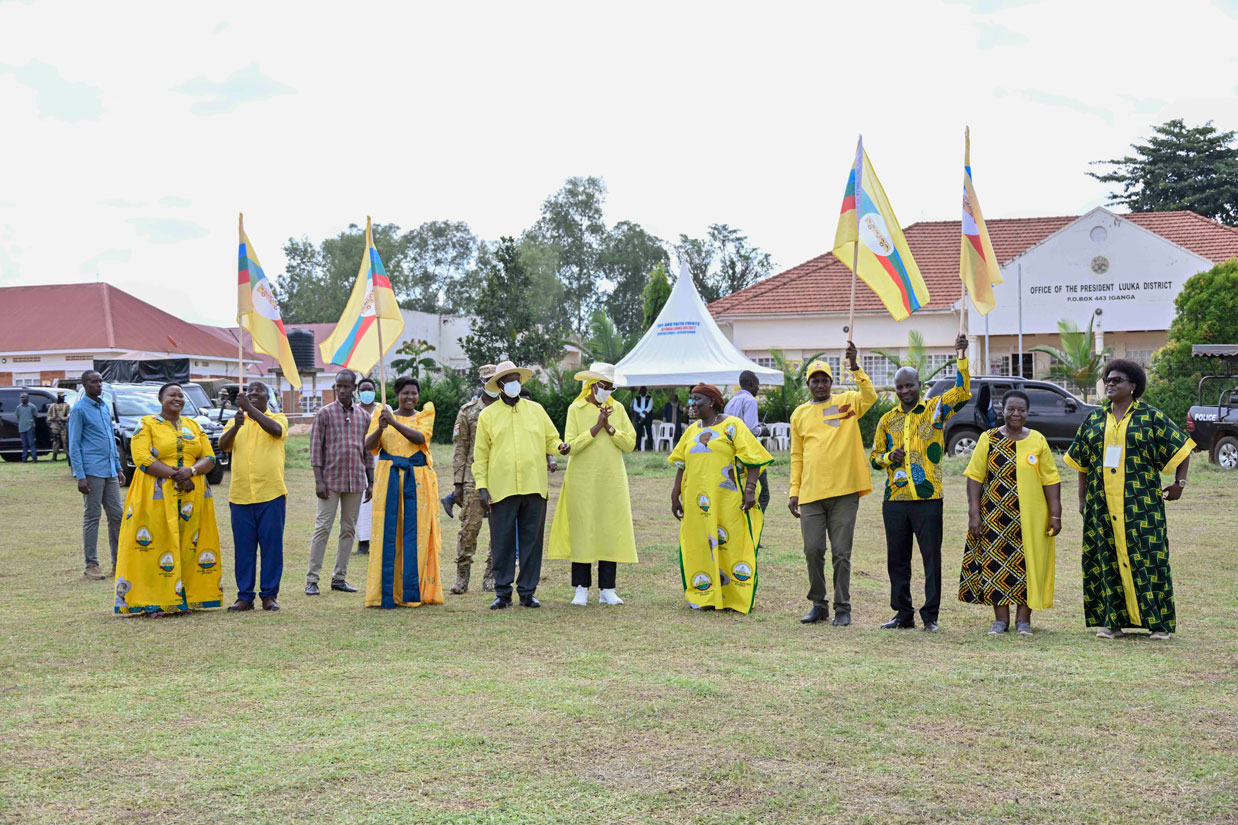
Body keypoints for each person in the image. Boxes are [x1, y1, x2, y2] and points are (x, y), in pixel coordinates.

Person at [1064, 359, 1193, 640]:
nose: (1110, 383)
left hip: (1141, 505)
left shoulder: (1150, 417)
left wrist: (1179, 484)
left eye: (1117, 380)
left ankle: (1159, 624)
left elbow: (1182, 447)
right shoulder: (1095, 419)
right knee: (1106, 558)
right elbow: (1082, 463)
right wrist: (1082, 499)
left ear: (1133, 386)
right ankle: (1112, 621)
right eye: (1107, 380)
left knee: (1149, 558)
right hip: (1101, 504)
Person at [869, 334, 971, 632]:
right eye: (900, 387)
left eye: (909, 385)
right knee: (897, 560)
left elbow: (963, 392)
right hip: (895, 501)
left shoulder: (935, 409)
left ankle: (930, 616)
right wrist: (888, 457)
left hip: (928, 499)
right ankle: (903, 614)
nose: (905, 391)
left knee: (931, 560)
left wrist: (961, 357)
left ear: (919, 385)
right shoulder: (887, 420)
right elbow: (874, 458)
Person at [788, 342, 877, 627]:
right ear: (808, 385)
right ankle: (818, 604)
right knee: (813, 550)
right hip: (811, 493)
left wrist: (855, 367)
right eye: (814, 380)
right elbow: (797, 456)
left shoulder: (847, 402)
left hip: (844, 492)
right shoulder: (799, 414)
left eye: (824, 380)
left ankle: (842, 607)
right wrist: (794, 490)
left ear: (831, 382)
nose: (820, 385)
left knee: (841, 552)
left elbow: (870, 396)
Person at [113, 382, 222, 616]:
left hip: (192, 495)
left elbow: (210, 457)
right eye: (172, 395)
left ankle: (183, 600)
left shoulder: (193, 425)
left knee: (188, 545)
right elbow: (142, 458)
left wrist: (191, 471)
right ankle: (152, 601)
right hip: (156, 493)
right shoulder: (147, 424)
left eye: (181, 395)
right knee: (154, 544)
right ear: (160, 399)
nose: (178, 398)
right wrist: (177, 476)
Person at [960, 390, 1062, 636]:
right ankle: (1001, 620)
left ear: (1027, 413)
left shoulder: (1037, 440)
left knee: (1029, 564)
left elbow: (1050, 479)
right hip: (995, 516)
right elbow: (975, 477)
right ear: (1002, 411)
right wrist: (974, 514)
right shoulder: (988, 438)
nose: (1016, 414)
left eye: (1021, 410)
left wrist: (1055, 515)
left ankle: (1023, 620)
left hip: (1032, 517)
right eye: (1011, 409)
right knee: (996, 564)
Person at [472, 360, 568, 610]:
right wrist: (482, 487)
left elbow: (551, 439)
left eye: (517, 379)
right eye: (509, 380)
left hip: (534, 486)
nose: (514, 383)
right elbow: (480, 455)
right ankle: (502, 592)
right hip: (501, 489)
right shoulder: (487, 415)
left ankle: (527, 592)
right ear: (500, 385)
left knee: (531, 543)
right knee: (501, 542)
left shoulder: (536, 410)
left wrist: (560, 447)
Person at [669, 383, 772, 613]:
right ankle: (705, 594)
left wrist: (750, 489)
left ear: (712, 402)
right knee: (699, 544)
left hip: (728, 500)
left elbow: (754, 458)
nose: (692, 404)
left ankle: (733, 597)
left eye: (697, 399)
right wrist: (675, 493)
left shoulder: (732, 425)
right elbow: (681, 464)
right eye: (691, 399)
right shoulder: (692, 430)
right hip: (697, 502)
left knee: (731, 545)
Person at [548, 363, 638, 605]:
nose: (607, 391)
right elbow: (571, 446)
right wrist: (596, 428)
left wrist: (610, 428)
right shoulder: (575, 409)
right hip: (582, 478)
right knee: (582, 529)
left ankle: (608, 588)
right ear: (592, 385)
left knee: (609, 529)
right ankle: (581, 588)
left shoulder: (617, 409)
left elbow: (630, 444)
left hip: (611, 478)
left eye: (611, 387)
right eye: (604, 386)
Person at [363, 376, 443, 608]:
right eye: (405, 393)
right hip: (388, 479)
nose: (410, 397)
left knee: (416, 532)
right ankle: (387, 591)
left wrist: (394, 423)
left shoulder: (424, 415)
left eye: (413, 393)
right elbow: (369, 446)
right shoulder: (381, 414)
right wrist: (381, 427)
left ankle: (413, 590)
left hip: (417, 481)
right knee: (389, 531)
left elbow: (420, 438)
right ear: (397, 394)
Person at [219, 381, 288, 612]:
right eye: (250, 392)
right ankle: (245, 596)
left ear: (268, 397)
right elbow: (223, 446)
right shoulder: (236, 421)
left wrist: (250, 409)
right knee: (244, 548)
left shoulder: (277, 418)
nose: (253, 394)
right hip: (241, 495)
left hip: (270, 493)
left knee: (271, 547)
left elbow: (276, 431)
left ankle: (269, 595)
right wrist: (236, 426)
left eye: (259, 391)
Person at [306, 369, 373, 596]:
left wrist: (371, 481)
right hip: (330, 481)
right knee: (323, 528)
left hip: (356, 481)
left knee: (348, 530)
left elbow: (367, 452)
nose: (341, 390)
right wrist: (318, 481)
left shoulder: (364, 416)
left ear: (354, 388)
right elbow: (316, 449)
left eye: (346, 386)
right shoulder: (324, 414)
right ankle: (312, 579)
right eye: (338, 386)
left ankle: (339, 578)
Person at [68, 370, 125, 580]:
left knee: (117, 515)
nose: (99, 385)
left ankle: (119, 562)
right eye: (94, 382)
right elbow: (74, 444)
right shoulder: (79, 410)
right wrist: (80, 475)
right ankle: (91, 565)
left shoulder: (104, 407)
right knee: (92, 516)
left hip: (109, 470)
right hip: (91, 471)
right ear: (84, 385)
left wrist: (118, 467)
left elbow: (111, 439)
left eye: (101, 381)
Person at [447, 364, 498, 594]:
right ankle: (462, 575)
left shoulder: (506, 408)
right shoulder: (468, 411)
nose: (491, 385)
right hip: (472, 477)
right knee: (469, 528)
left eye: (495, 380)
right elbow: (460, 448)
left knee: (500, 529)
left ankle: (492, 575)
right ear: (481, 382)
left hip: (501, 476)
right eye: (487, 380)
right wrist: (457, 483)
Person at [723, 370, 771, 513]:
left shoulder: (730, 402)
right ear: (751, 384)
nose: (758, 388)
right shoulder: (750, 400)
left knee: (739, 490)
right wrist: (762, 430)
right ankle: (755, 521)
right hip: (748, 452)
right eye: (757, 385)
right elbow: (751, 429)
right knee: (763, 494)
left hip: (732, 451)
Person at [353, 377, 381, 556]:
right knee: (362, 502)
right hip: (359, 460)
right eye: (363, 390)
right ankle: (363, 541)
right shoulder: (353, 410)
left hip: (381, 459)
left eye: (370, 389)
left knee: (380, 500)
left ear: (375, 391)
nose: (367, 393)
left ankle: (381, 540)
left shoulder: (384, 409)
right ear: (358, 392)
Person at [48, 391, 71, 461]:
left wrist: (63, 418)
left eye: (63, 397)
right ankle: (54, 456)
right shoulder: (53, 406)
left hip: (63, 425)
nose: (63, 398)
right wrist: (53, 418)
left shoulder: (66, 406)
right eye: (62, 397)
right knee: (56, 441)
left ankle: (67, 456)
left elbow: (69, 416)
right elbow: (48, 416)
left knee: (65, 441)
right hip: (55, 425)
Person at [631, 387, 654, 451]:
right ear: (640, 391)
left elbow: (649, 407)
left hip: (648, 418)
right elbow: (635, 407)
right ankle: (638, 448)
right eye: (642, 391)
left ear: (646, 391)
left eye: (644, 391)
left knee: (649, 432)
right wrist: (642, 412)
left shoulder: (650, 398)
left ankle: (650, 448)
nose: (643, 392)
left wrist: (643, 416)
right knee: (638, 432)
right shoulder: (636, 398)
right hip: (639, 417)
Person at [16, 392, 37, 462]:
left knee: (31, 443)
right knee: (24, 444)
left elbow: (35, 416)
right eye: (21, 397)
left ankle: (34, 458)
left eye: (23, 397)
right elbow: (18, 416)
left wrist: (31, 423)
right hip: (22, 427)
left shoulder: (32, 407)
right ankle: (24, 459)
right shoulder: (18, 407)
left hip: (30, 427)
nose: (22, 399)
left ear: (27, 398)